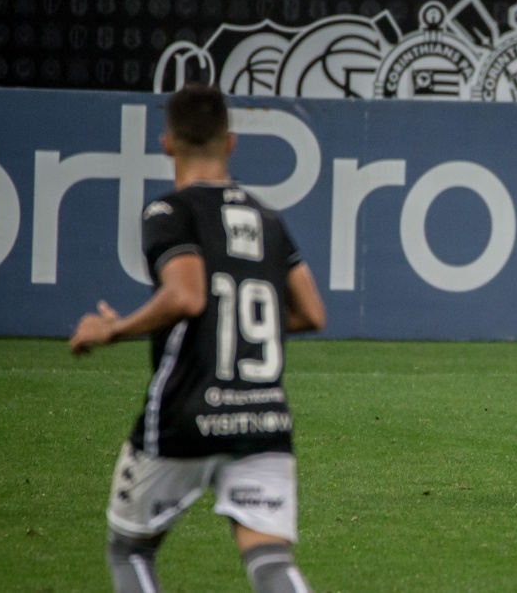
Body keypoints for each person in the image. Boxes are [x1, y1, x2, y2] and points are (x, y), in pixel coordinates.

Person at [69, 83, 326, 591]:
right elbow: (311, 313)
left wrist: (112, 329)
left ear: (166, 143)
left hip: (186, 412)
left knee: (131, 550)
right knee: (271, 561)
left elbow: (187, 296)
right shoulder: (268, 219)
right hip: (262, 415)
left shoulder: (171, 212)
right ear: (231, 142)